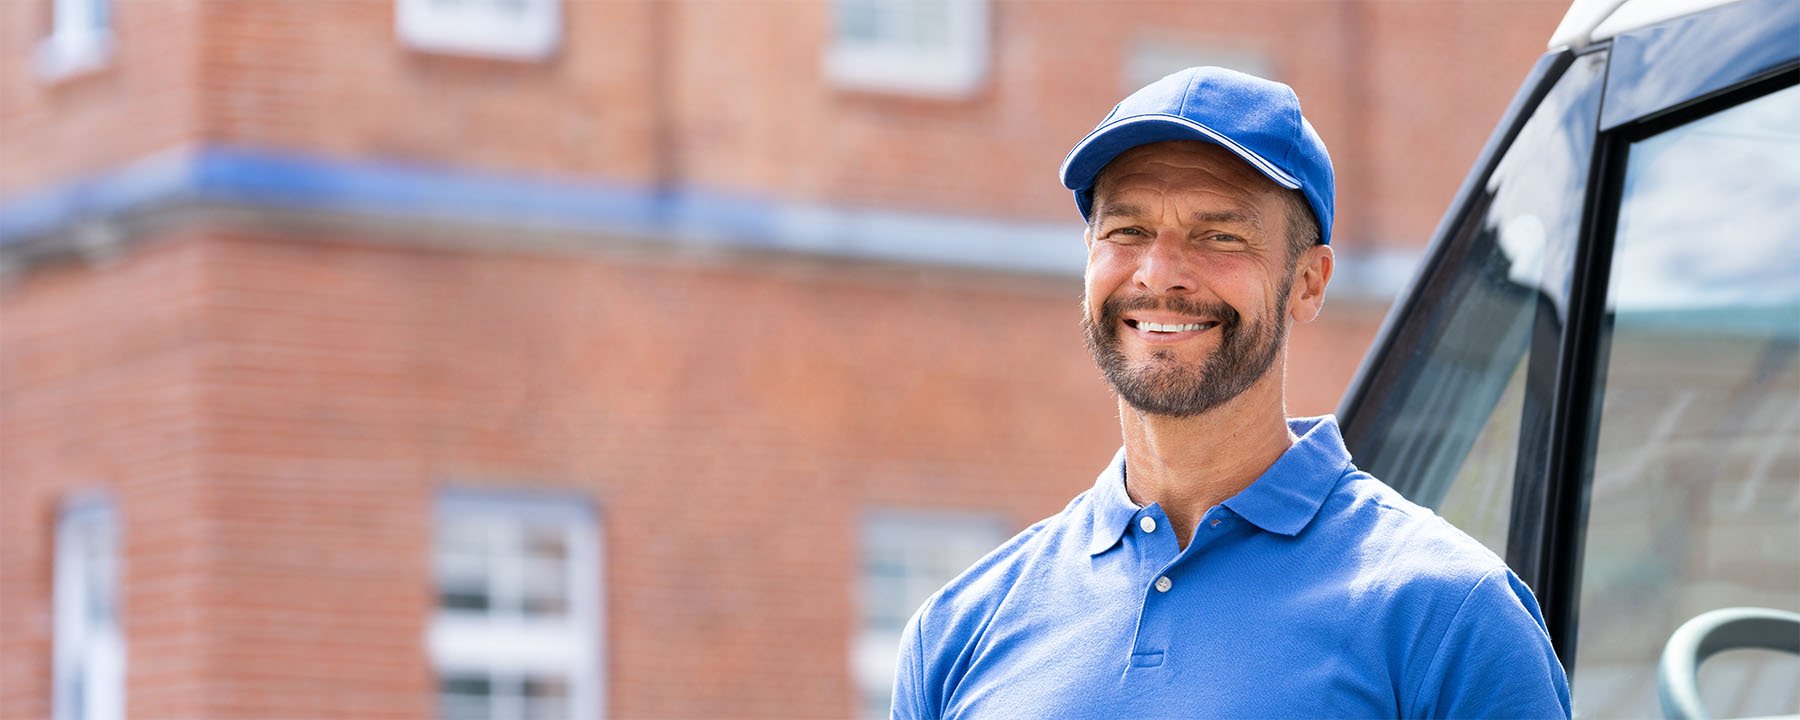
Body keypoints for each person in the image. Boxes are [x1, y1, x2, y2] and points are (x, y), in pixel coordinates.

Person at [889, 67, 1572, 719]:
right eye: (1127, 231)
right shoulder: (958, 633)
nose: (1161, 274)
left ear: (1308, 281)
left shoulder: (1450, 616)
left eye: (1218, 235)